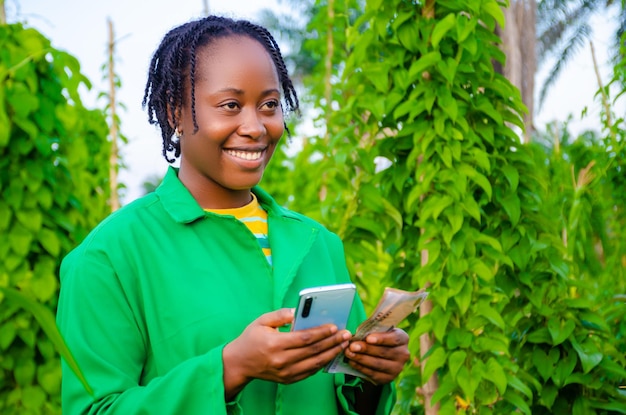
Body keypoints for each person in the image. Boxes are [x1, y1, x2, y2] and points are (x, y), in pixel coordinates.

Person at [56, 15, 410, 415]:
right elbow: (94, 408)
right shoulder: (110, 257)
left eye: (269, 105)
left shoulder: (319, 245)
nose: (256, 126)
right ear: (175, 112)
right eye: (230, 105)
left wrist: (373, 376)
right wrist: (229, 369)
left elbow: (345, 401)